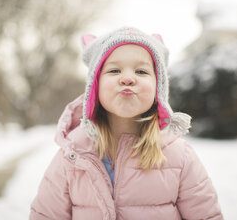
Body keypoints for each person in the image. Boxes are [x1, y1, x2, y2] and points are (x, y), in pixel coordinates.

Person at [29, 27, 223, 220]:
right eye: (114, 70)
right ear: (95, 86)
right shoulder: (72, 155)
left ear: (158, 87)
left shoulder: (179, 156)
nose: (128, 79)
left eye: (141, 71)